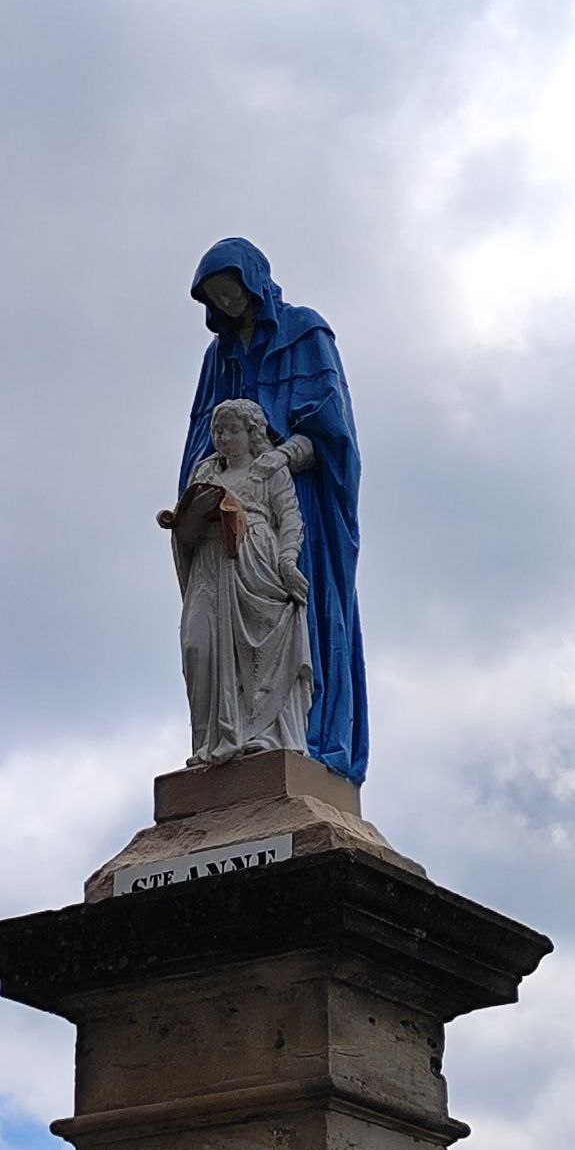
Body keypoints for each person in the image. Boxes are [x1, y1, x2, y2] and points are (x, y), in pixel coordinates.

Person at [180, 237, 368, 784]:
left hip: (296, 500)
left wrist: (276, 461)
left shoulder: (306, 332)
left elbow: (331, 431)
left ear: (253, 282)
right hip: (225, 519)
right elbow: (200, 440)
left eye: (230, 290)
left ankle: (293, 738)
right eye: (214, 297)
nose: (227, 303)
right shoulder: (219, 358)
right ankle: (229, 738)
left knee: (289, 621)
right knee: (210, 636)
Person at [171, 399, 313, 765]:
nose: (223, 438)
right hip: (208, 562)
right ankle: (209, 741)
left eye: (232, 430)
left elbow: (291, 518)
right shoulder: (204, 471)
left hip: (255, 560)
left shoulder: (267, 471)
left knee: (257, 651)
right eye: (218, 431)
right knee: (197, 646)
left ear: (252, 434)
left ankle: (262, 734)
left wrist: (287, 561)